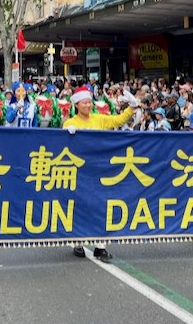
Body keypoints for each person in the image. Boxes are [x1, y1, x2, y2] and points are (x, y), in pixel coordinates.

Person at [63, 86, 137, 262]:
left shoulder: (99, 119)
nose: (88, 105)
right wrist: (67, 133)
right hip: (80, 172)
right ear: (76, 104)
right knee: (80, 206)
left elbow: (117, 121)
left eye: (89, 102)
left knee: (102, 206)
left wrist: (132, 108)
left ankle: (100, 247)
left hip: (100, 169)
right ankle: (78, 242)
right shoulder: (70, 123)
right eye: (85, 102)